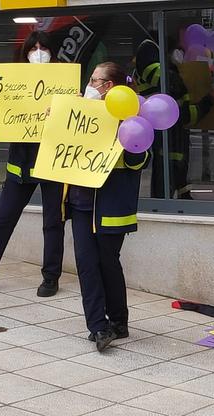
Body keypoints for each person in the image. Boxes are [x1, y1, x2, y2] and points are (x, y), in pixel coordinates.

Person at [0, 31, 64, 297]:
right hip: (20, 165)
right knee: (2, 221)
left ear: (53, 51)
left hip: (53, 163)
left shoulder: (64, 81)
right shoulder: (11, 80)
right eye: (33, 48)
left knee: (53, 223)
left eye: (43, 47)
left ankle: (50, 278)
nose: (38, 52)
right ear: (25, 52)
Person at [69, 62, 150, 352]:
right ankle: (98, 327)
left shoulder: (131, 118)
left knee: (107, 263)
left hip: (111, 206)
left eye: (95, 80)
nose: (90, 85)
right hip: (80, 202)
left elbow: (138, 160)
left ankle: (119, 320)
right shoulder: (78, 112)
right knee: (86, 265)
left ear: (110, 87)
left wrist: (128, 141)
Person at [132, 38, 214, 199]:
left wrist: (206, 103)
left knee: (179, 164)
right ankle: (162, 202)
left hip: (175, 128)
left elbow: (185, 113)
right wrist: (187, 76)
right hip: (160, 127)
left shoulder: (168, 62)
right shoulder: (148, 49)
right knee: (164, 167)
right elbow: (166, 81)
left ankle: (181, 195)